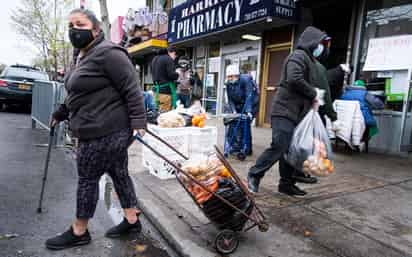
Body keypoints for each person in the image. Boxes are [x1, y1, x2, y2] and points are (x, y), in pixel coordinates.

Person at [46, 9, 146, 250]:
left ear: (96, 29)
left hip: (106, 129)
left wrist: (139, 123)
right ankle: (132, 220)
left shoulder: (109, 53)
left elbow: (132, 88)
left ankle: (79, 230)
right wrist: (61, 113)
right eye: (70, 25)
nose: (74, 30)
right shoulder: (81, 55)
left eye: (80, 24)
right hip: (95, 125)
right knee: (119, 172)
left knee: (88, 178)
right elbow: (78, 93)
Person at [247, 26, 326, 196]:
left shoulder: (310, 61)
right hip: (284, 111)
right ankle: (254, 174)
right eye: (320, 43)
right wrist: (314, 93)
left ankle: (286, 184)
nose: (321, 47)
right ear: (312, 42)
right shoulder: (298, 56)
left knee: (292, 148)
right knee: (280, 145)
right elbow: (293, 78)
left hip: (296, 113)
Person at [151, 47, 179, 112]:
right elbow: (171, 75)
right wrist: (177, 74)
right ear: (172, 53)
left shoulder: (154, 59)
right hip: (165, 92)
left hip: (156, 92)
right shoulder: (168, 59)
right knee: (165, 116)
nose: (175, 57)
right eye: (175, 55)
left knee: (158, 113)